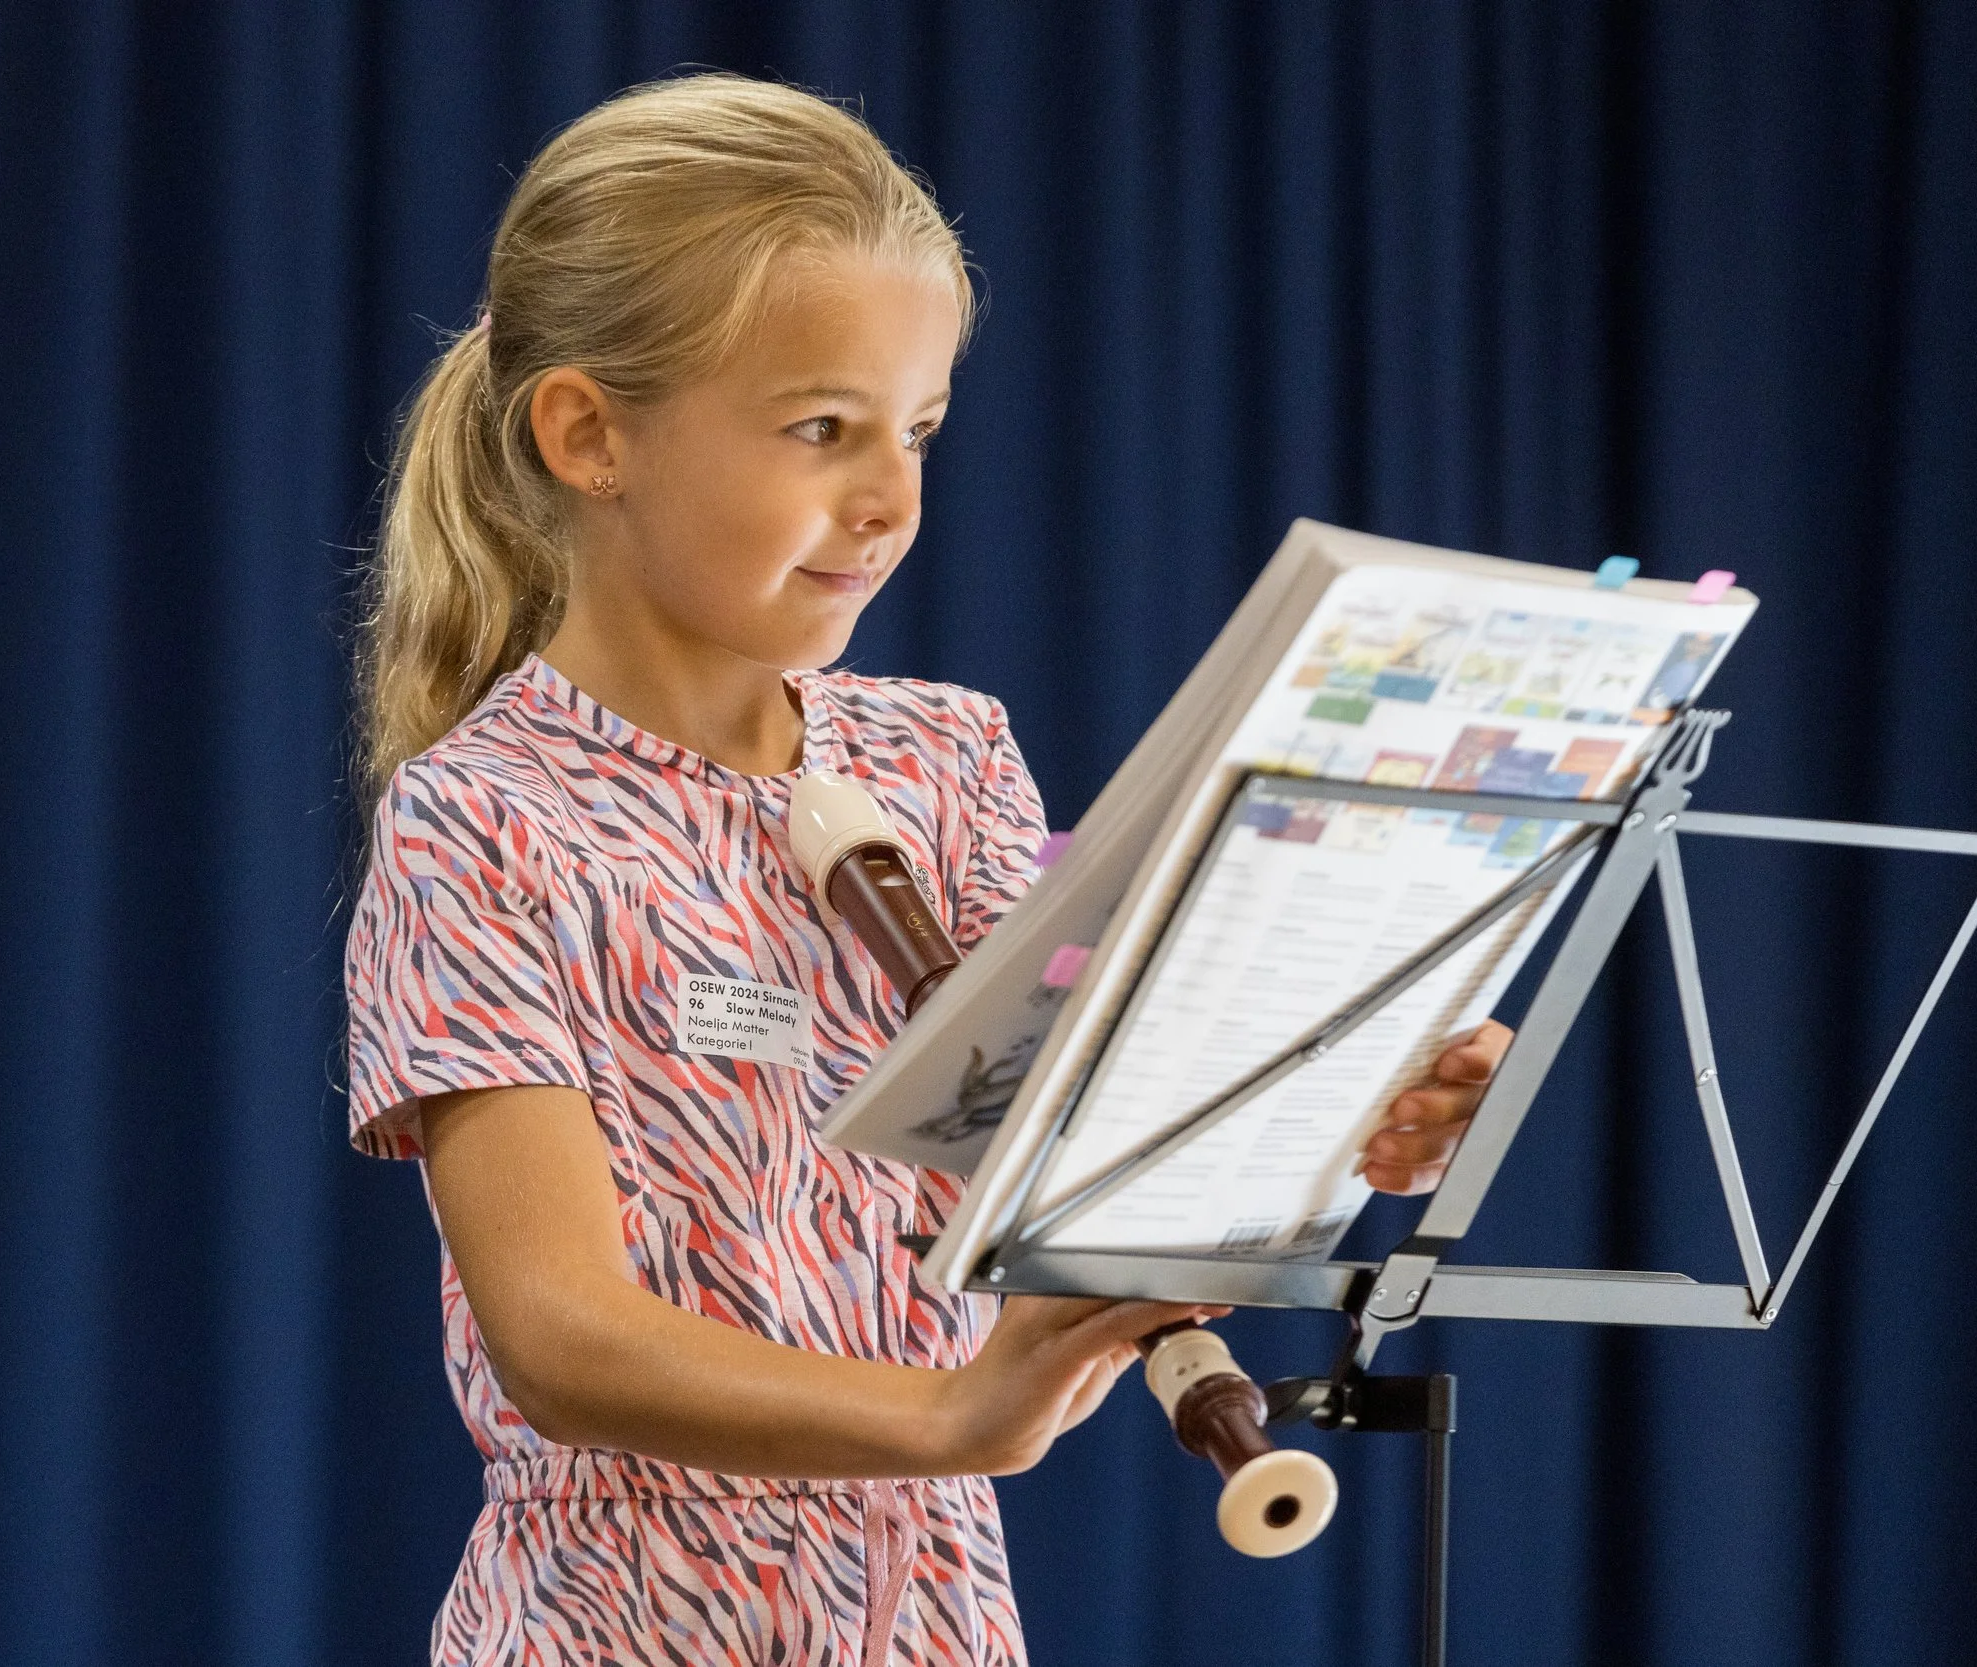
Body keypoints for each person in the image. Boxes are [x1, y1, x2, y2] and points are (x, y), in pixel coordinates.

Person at [342, 73, 1510, 1666]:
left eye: (920, 429)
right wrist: (953, 1413)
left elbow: (1080, 1152)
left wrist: (1340, 1113)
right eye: (821, 429)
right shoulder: (482, 820)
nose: (890, 497)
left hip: (935, 1616)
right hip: (614, 1622)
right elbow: (560, 1335)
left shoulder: (943, 761)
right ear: (588, 432)